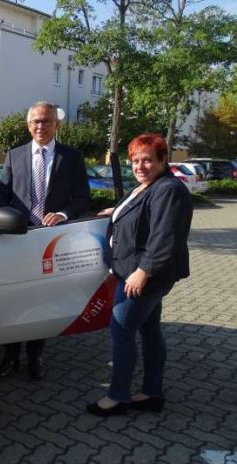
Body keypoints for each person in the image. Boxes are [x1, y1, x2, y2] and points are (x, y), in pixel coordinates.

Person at [87, 133, 192, 416]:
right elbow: (138, 213)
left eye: (147, 160)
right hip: (134, 272)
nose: (140, 166)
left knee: (121, 330)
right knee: (149, 329)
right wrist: (115, 212)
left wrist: (142, 272)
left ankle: (118, 397)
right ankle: (151, 393)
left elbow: (164, 237)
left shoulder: (168, 189)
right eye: (135, 160)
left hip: (145, 276)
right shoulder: (147, 186)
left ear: (163, 160)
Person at [0, 101, 90, 381]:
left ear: (56, 124)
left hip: (51, 242)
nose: (40, 126)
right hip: (17, 240)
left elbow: (82, 198)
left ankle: (35, 357)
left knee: (41, 301)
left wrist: (62, 214)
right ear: (28, 125)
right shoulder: (14, 155)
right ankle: (10, 357)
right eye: (36, 121)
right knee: (13, 299)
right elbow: (2, 195)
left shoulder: (71, 157)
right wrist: (9, 217)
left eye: (46, 121)